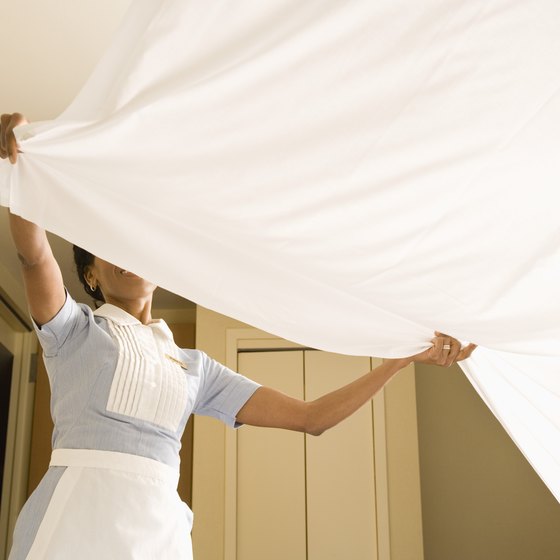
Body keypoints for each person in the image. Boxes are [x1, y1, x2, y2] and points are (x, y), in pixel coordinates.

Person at [1, 112, 476, 559]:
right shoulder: (73, 332)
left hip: (155, 528)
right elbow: (34, 258)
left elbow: (312, 417)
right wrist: (17, 165)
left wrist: (399, 361)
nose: (126, 253)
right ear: (90, 277)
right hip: (78, 513)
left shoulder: (196, 368)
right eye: (108, 246)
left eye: (132, 241)